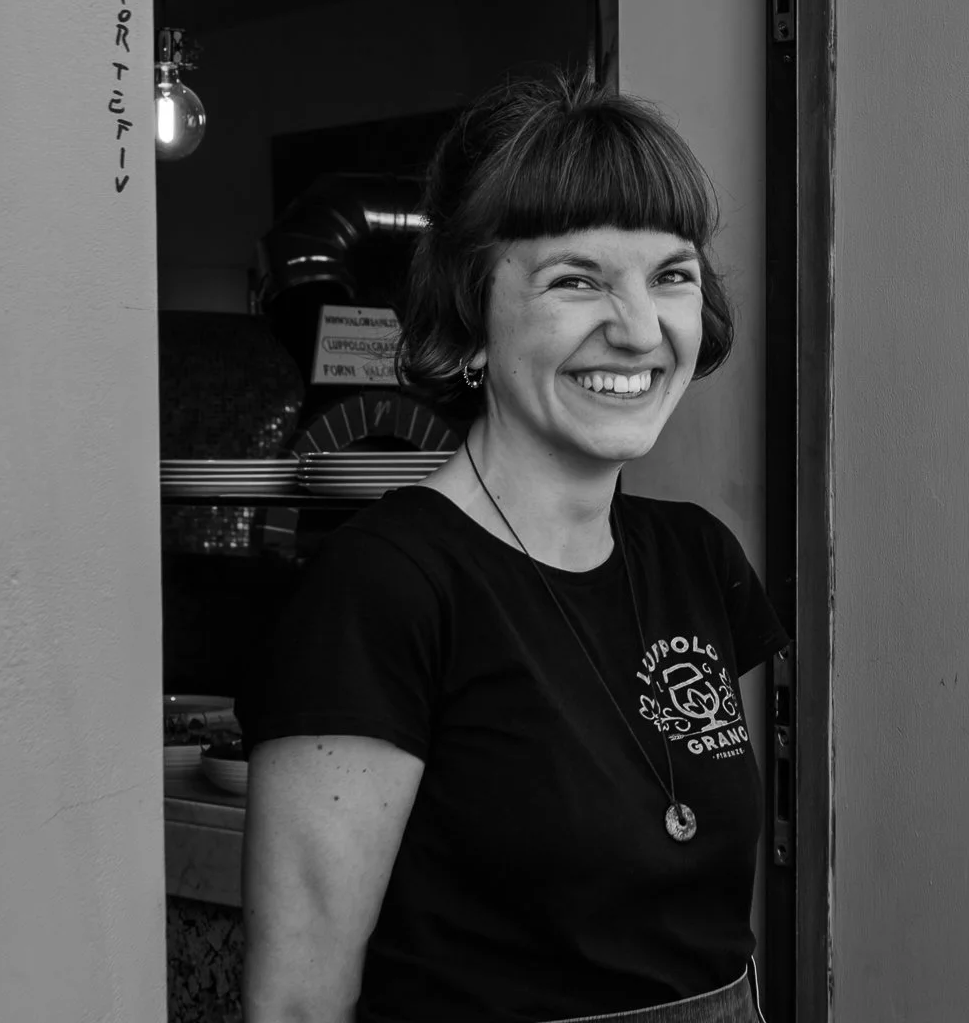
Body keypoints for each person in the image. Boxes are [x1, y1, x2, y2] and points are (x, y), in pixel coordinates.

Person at [237, 73, 789, 1023]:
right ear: (467, 326)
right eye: (576, 280)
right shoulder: (385, 587)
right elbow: (296, 1000)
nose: (640, 329)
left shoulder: (702, 560)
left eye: (672, 276)